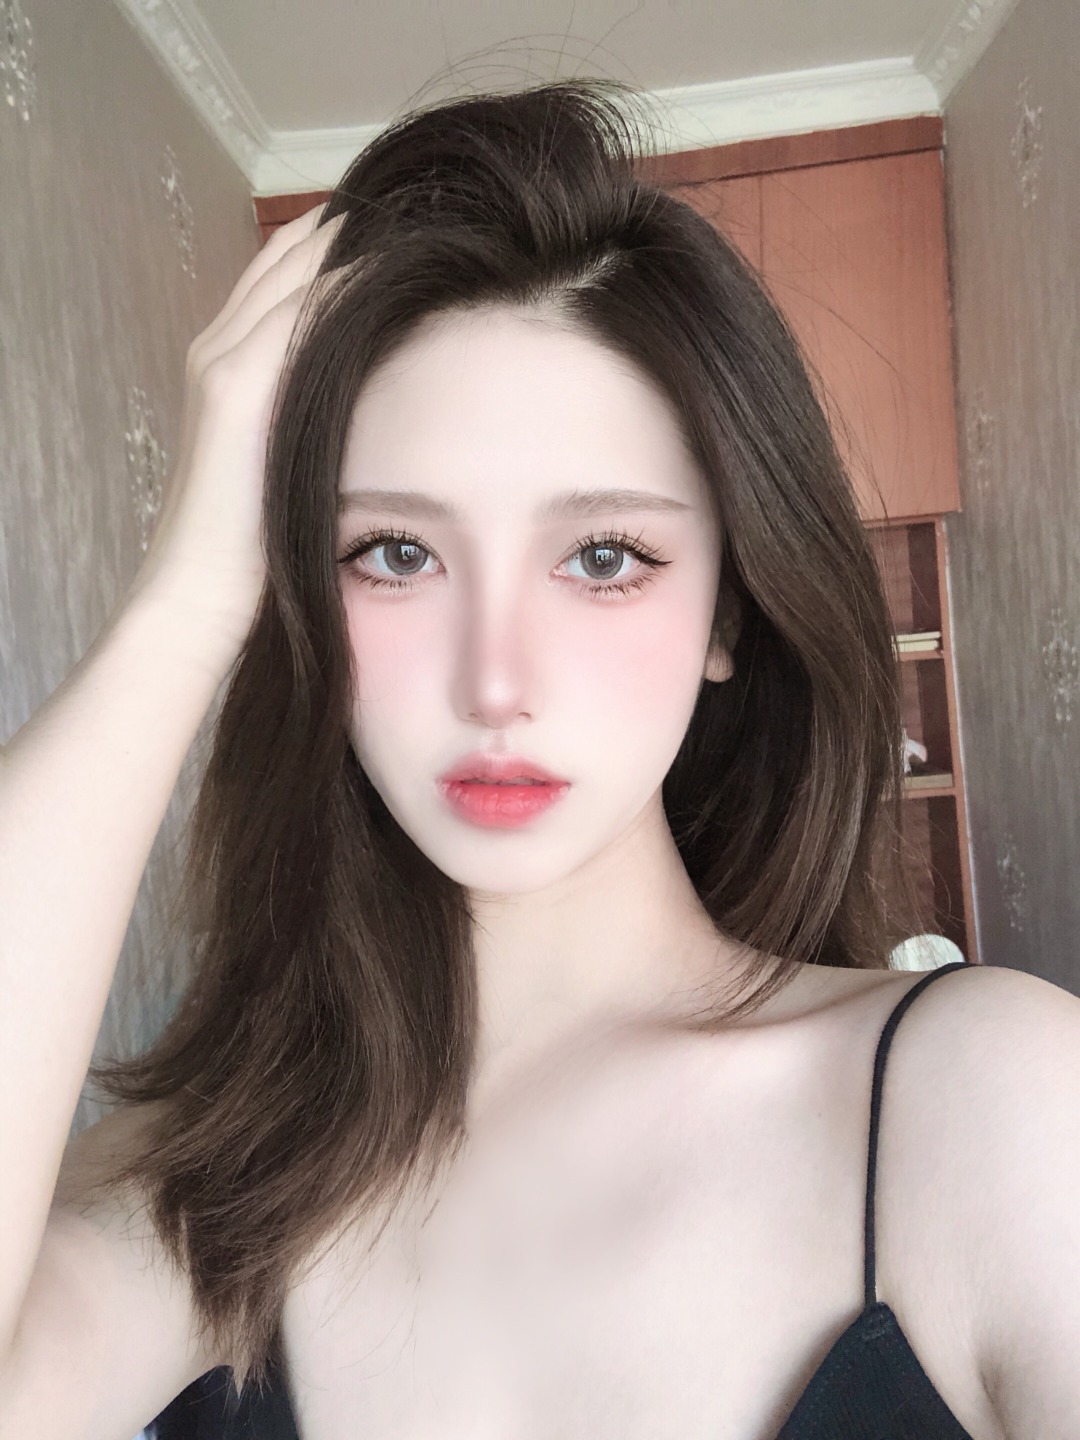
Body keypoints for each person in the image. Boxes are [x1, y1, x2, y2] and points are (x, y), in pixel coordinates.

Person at [1, 78, 1077, 1440]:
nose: (494, 681)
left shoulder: (990, 1103)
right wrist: (185, 603)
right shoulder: (206, 1181)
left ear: (728, 615)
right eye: (395, 553)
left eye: (604, 557)